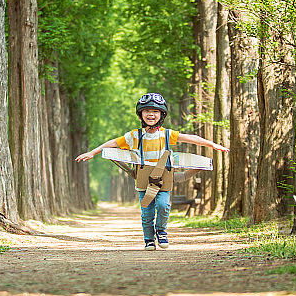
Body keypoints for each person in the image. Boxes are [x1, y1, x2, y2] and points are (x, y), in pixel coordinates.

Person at [75, 93, 228, 250]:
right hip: (143, 180)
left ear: (161, 114)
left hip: (164, 178)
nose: (151, 114)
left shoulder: (167, 135)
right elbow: (113, 143)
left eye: (155, 111)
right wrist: (92, 152)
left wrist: (214, 145)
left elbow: (192, 138)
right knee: (147, 212)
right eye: (147, 111)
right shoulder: (135, 136)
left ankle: (161, 231)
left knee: (163, 205)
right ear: (140, 114)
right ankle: (149, 240)